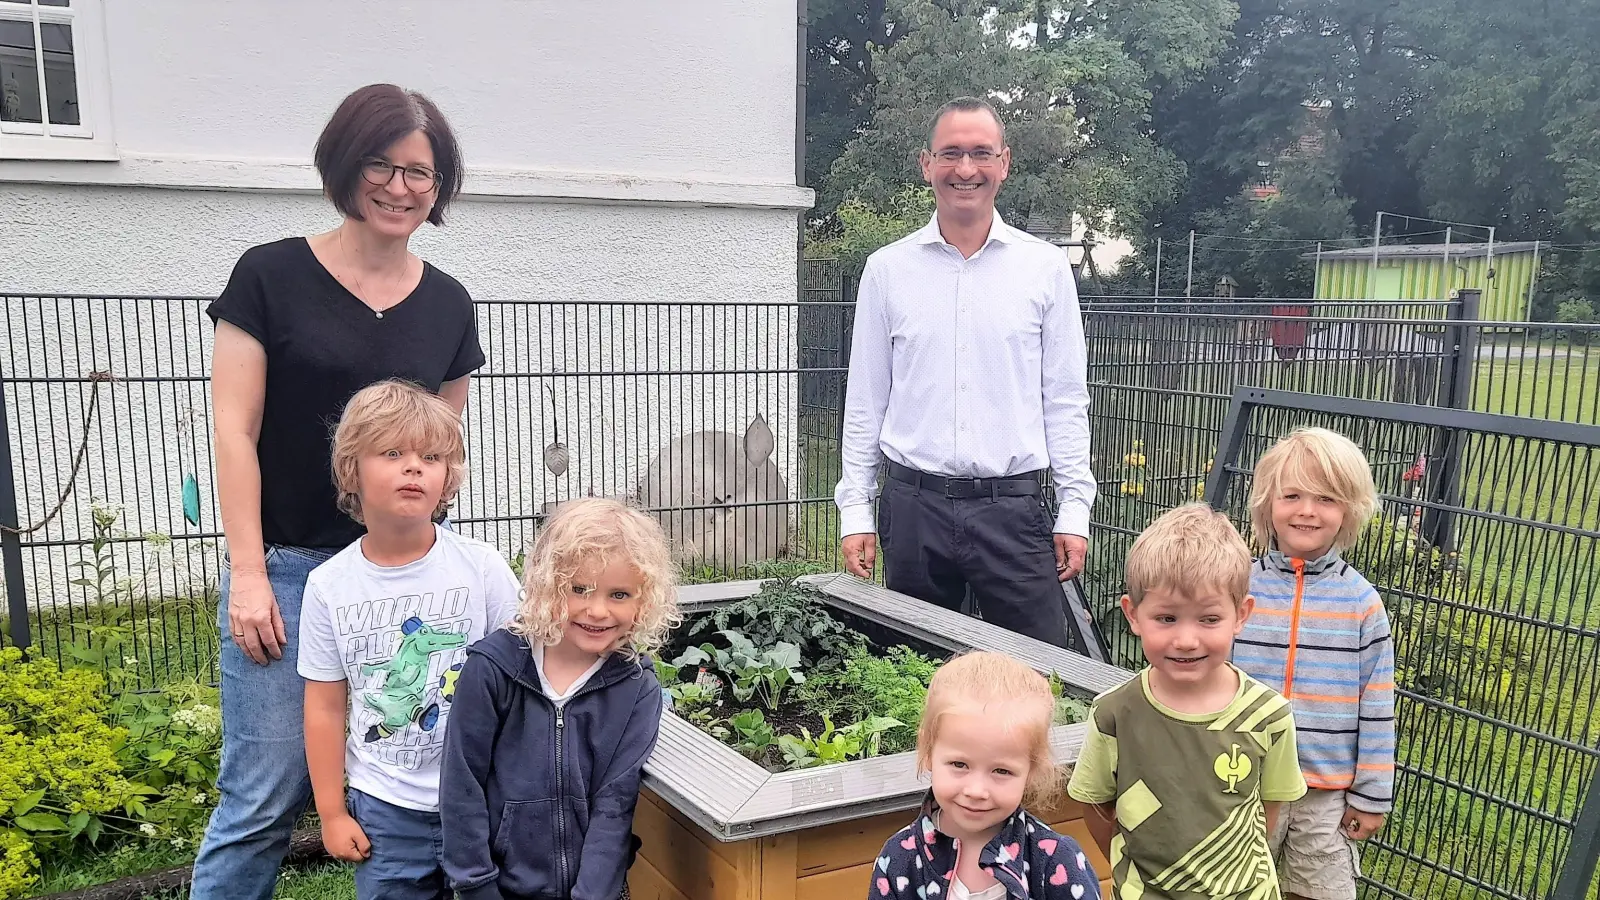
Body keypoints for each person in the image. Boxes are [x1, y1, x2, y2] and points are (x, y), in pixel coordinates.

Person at [193, 83, 484, 900]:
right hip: (287, 568)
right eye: (380, 165)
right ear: (344, 167)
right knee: (263, 797)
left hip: (399, 576)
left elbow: (443, 455)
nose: (399, 188)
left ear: (440, 187)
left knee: (410, 764)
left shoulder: (449, 304)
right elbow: (233, 432)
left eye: (420, 173)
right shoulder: (269, 276)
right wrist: (249, 574)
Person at [834, 96, 1095, 648]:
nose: (966, 168)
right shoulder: (887, 271)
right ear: (926, 164)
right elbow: (865, 402)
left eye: (981, 152)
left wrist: (1074, 509)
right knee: (911, 672)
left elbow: (1066, 400)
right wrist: (855, 509)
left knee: (1036, 672)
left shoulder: (1044, 270)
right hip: (914, 511)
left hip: (1014, 511)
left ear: (1005, 162)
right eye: (950, 153)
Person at [297, 380, 520, 899]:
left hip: (483, 795)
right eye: (393, 452)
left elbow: (523, 666)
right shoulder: (329, 586)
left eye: (431, 456)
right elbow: (325, 707)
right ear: (352, 470)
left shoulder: (480, 567)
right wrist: (331, 811)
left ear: (447, 479)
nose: (414, 466)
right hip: (386, 807)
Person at [440, 497, 682, 900]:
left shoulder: (637, 689)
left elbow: (614, 806)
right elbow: (461, 786)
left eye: (619, 594)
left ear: (645, 599)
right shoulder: (492, 669)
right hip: (497, 887)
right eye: (579, 589)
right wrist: (476, 884)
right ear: (548, 584)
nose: (598, 610)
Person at [1067, 503, 1308, 900]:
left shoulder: (1269, 716)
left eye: (1209, 619)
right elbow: (1094, 804)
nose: (1186, 639)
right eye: (1166, 618)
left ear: (1241, 615)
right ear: (1133, 614)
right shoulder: (1114, 713)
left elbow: (1269, 810)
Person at [1232, 427, 1393, 900]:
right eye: (1293, 495)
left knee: (1318, 892)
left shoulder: (1362, 605)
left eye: (1325, 498)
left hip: (1324, 794)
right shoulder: (1239, 590)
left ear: (1349, 510)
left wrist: (1371, 794)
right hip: (1243, 785)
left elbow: (1377, 706)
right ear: (1267, 505)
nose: (1307, 509)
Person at [872, 650, 1102, 900]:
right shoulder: (899, 859)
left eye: (1001, 771)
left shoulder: (1055, 860)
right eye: (959, 764)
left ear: (1032, 770)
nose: (976, 790)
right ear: (927, 749)